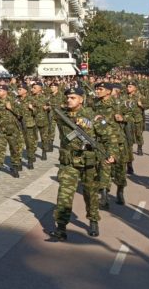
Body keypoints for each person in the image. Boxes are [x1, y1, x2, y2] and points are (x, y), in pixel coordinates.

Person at [48, 87, 117, 241]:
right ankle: (61, 227)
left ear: (81, 99)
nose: (69, 100)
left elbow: (110, 137)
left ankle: (93, 220)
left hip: (89, 162)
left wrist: (112, 154)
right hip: (69, 162)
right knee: (64, 195)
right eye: (68, 97)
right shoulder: (61, 115)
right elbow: (51, 105)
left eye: (73, 97)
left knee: (90, 193)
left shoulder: (93, 117)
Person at [0, 83, 24, 178]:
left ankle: (15, 168)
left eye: (0, 90)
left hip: (13, 130)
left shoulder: (14, 101)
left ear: (5, 92)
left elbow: (21, 113)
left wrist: (11, 108)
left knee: (14, 149)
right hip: (1, 130)